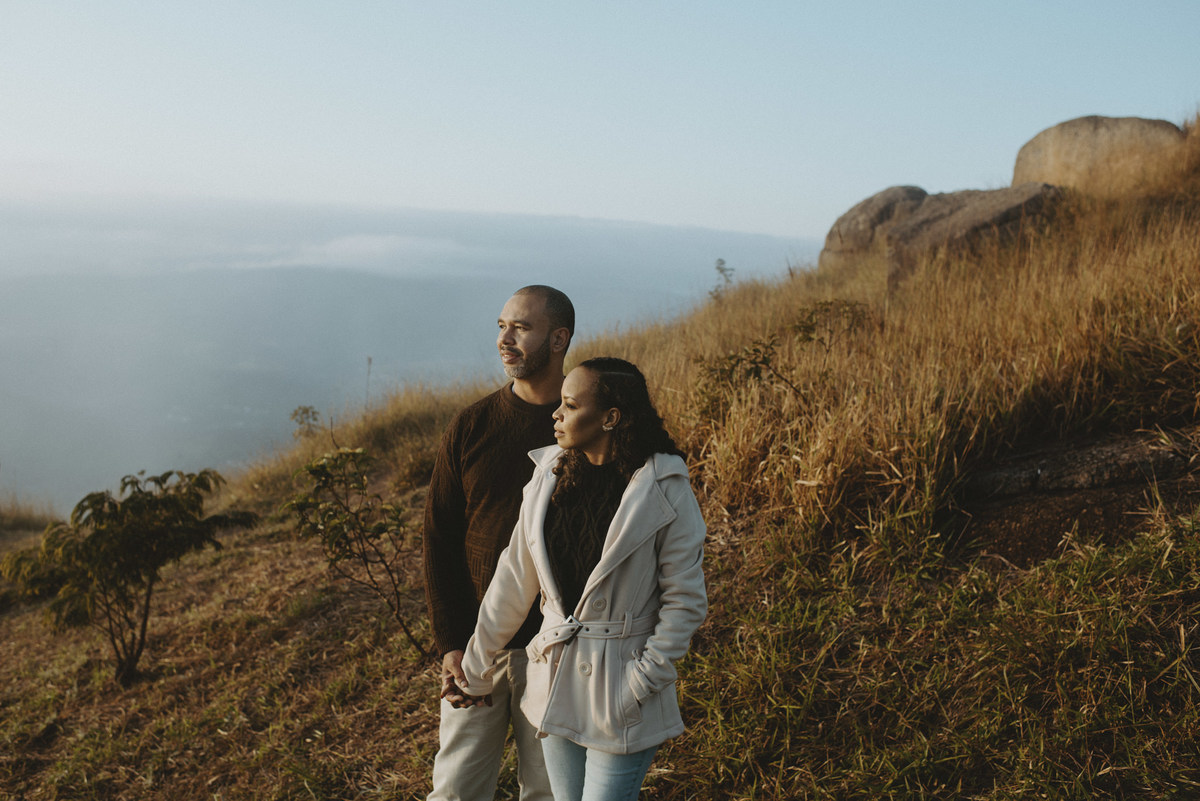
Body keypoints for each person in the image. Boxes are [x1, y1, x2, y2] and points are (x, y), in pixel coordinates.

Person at [455, 357, 708, 801]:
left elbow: (685, 600)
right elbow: (513, 580)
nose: (555, 414)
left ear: (610, 417)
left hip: (621, 690)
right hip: (554, 681)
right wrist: (476, 664)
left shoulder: (664, 484)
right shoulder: (548, 474)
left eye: (570, 405)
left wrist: (640, 683)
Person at [423, 285, 575, 801]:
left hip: (556, 654)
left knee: (550, 793)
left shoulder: (585, 430)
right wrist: (450, 642)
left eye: (520, 328)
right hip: (478, 650)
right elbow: (438, 539)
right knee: (455, 792)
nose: (504, 340)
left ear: (559, 339)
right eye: (501, 326)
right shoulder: (473, 424)